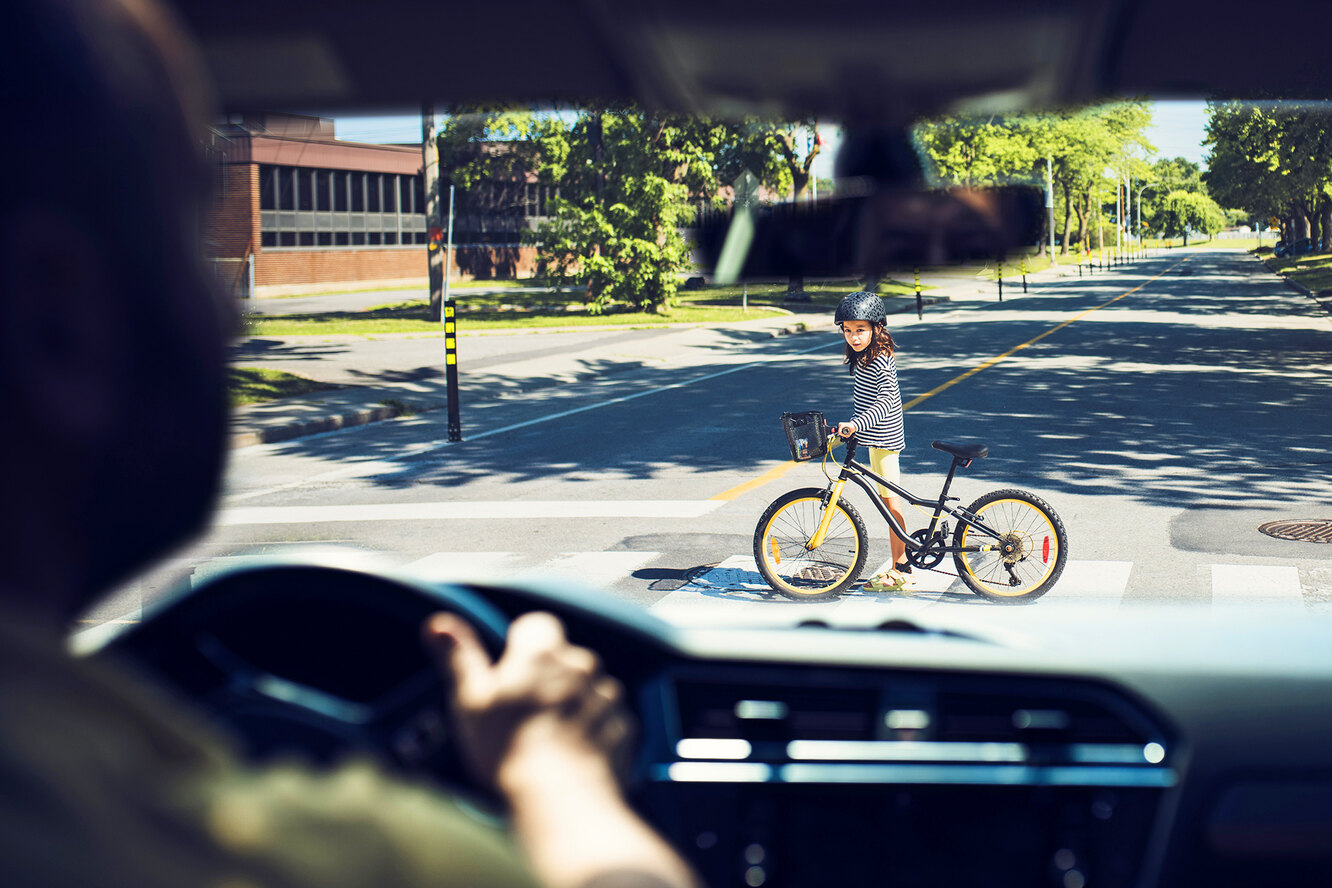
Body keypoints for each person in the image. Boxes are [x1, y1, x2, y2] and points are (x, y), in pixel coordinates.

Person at [0, 1, 699, 888]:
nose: (229, 315)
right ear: (54, 319)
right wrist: (556, 776)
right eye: (186, 225)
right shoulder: (271, 856)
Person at [831, 291, 912, 593]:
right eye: (848, 330)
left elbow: (886, 401)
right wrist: (849, 429)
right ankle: (900, 563)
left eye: (860, 330)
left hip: (885, 440)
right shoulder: (863, 359)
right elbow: (864, 403)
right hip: (873, 439)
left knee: (891, 503)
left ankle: (902, 567)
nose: (853, 337)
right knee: (887, 501)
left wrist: (856, 424)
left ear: (877, 328)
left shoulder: (880, 360)